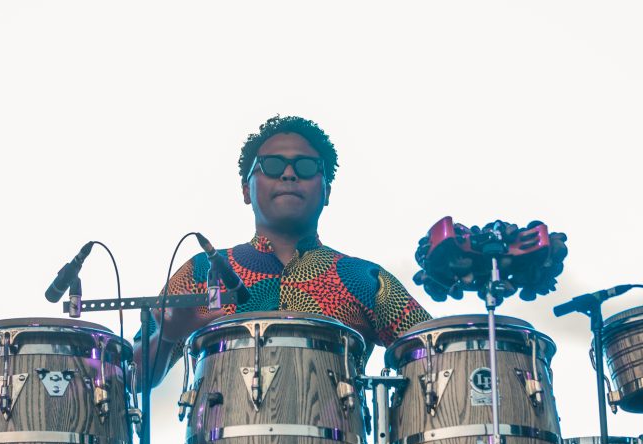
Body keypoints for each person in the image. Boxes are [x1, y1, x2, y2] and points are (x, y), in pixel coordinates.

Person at [134, 114, 431, 386]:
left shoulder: (365, 279)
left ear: (326, 191)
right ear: (246, 190)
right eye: (273, 165)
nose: (289, 174)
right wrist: (166, 337)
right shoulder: (202, 271)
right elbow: (129, 381)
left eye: (305, 166)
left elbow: (441, 354)